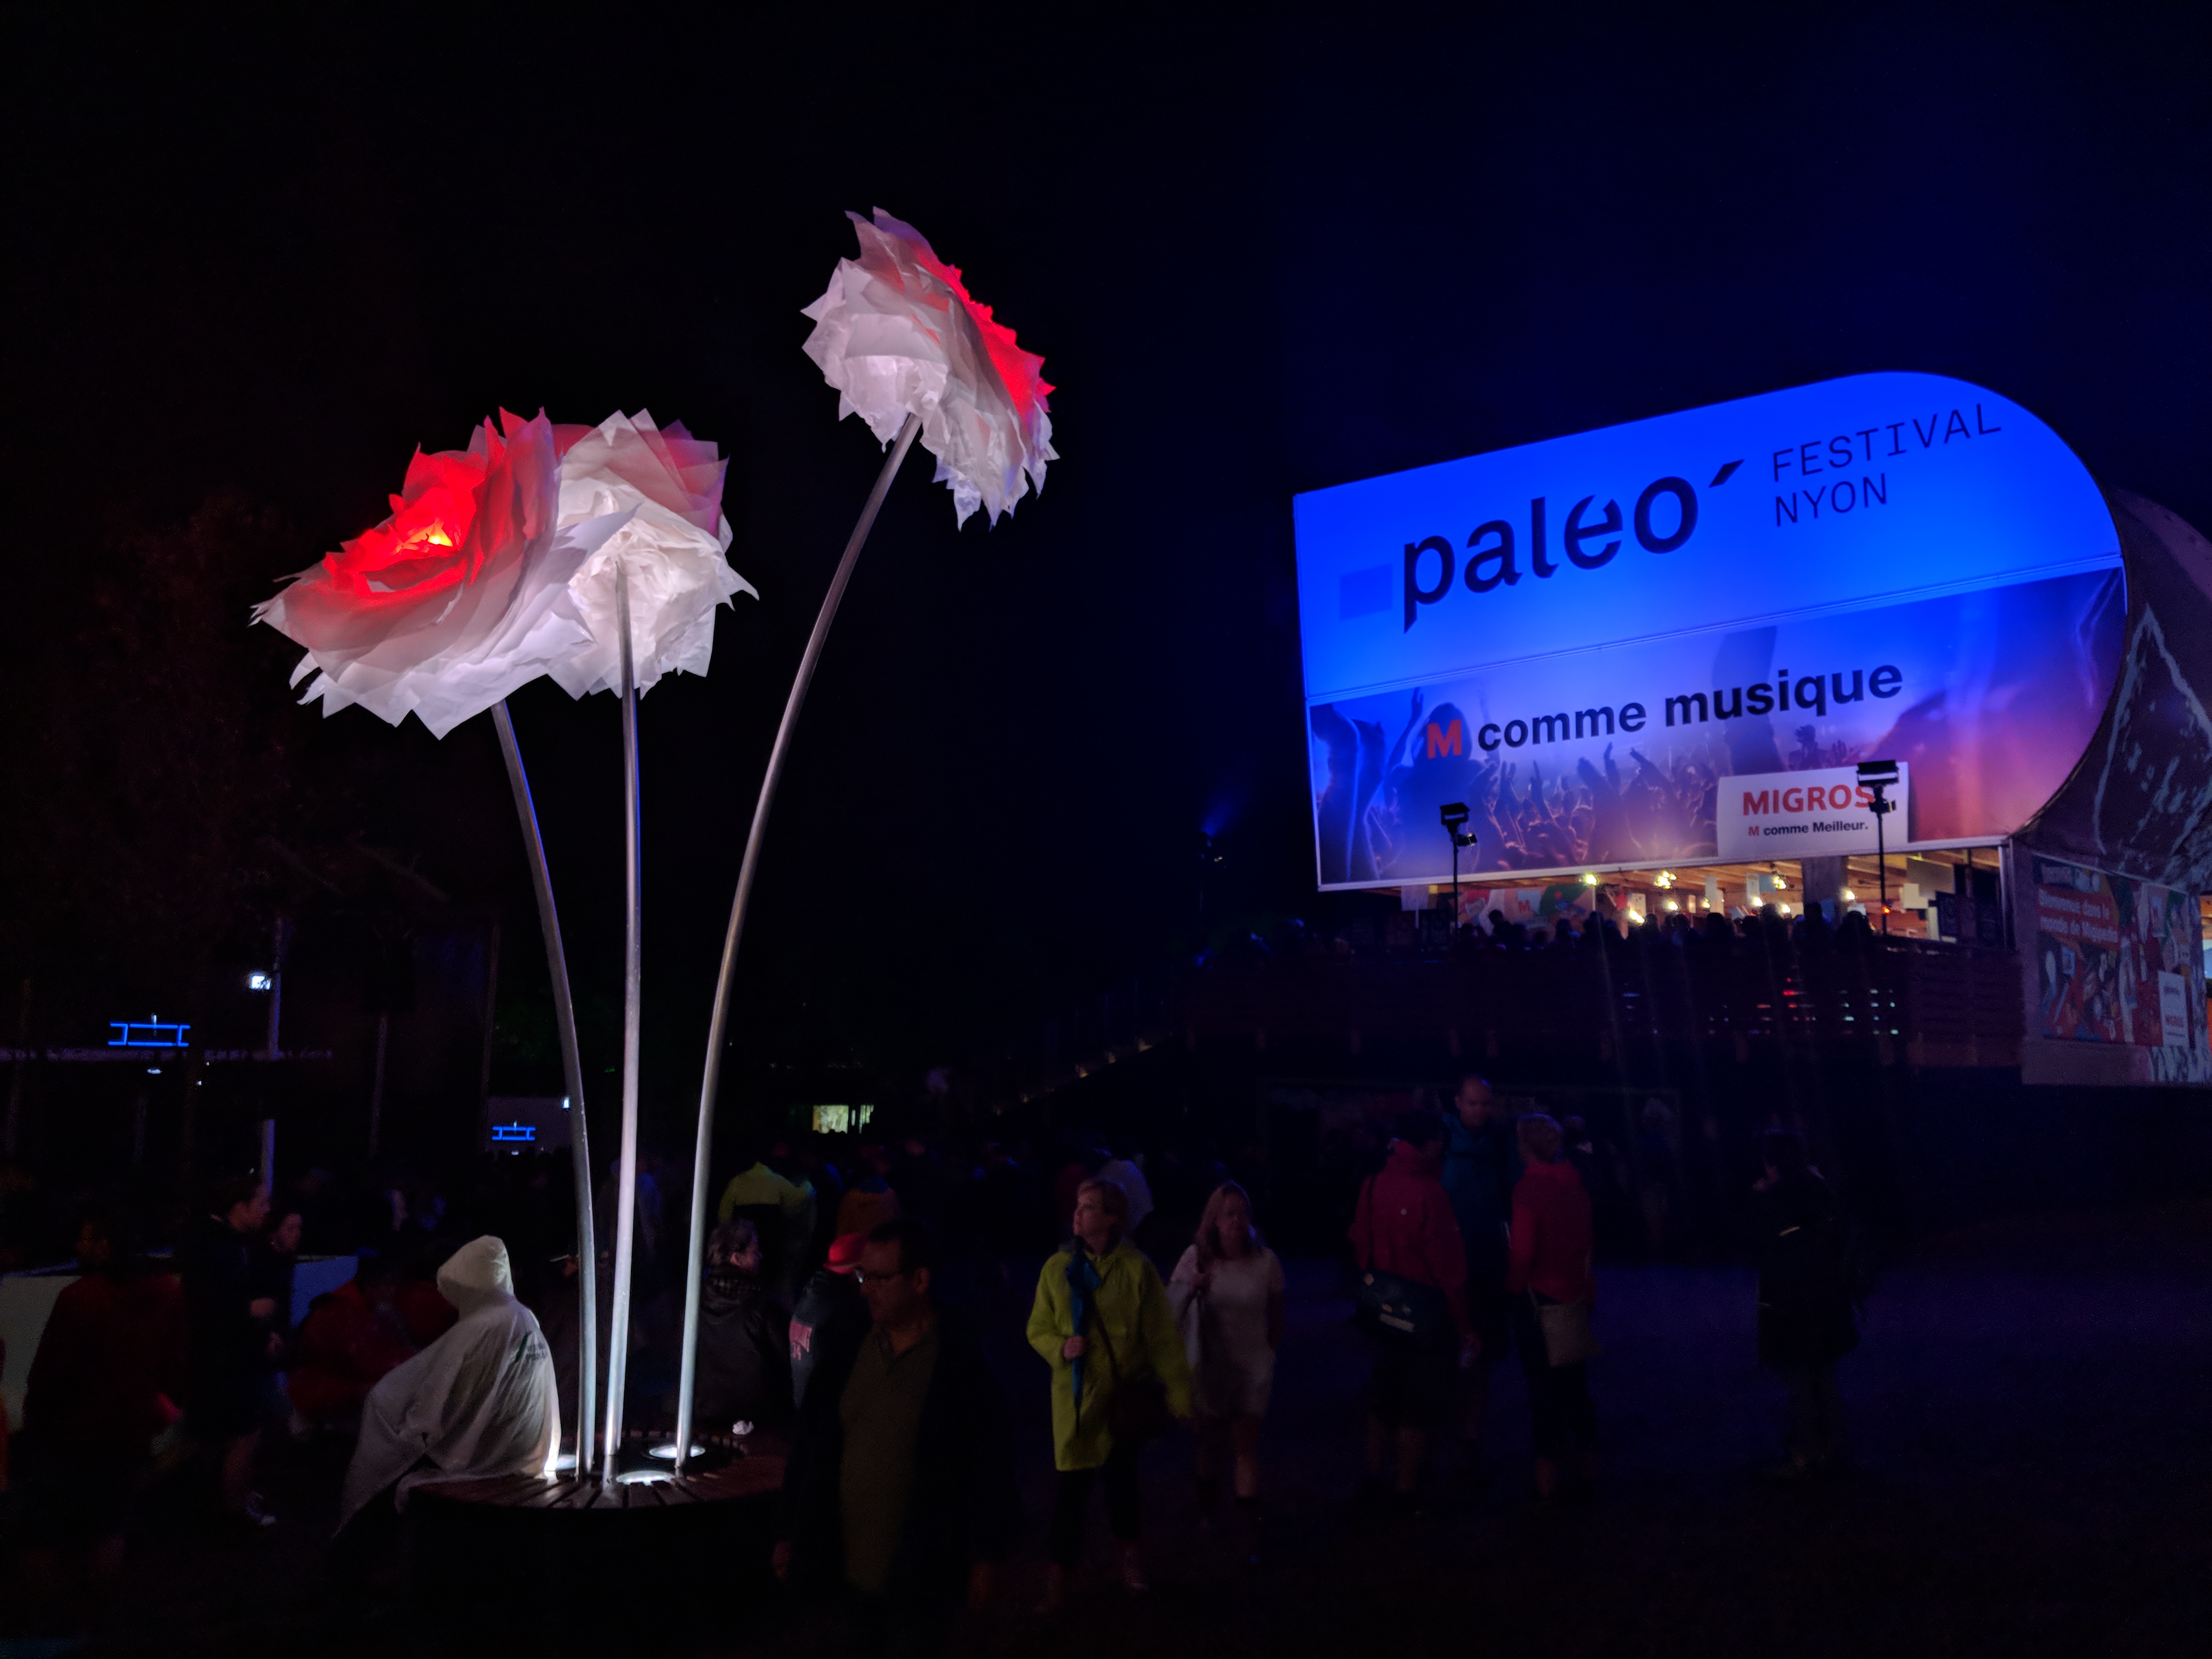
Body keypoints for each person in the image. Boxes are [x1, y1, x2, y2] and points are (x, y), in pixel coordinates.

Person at [777, 1219, 1019, 1657]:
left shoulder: (958, 1358)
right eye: (863, 1277)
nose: (866, 1290)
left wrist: (987, 1555)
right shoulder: (847, 1340)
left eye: (880, 1279)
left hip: (920, 1572)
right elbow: (812, 1441)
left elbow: (990, 1461)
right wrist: (790, 1529)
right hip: (841, 1569)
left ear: (919, 1280)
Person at [1026, 1178, 1192, 1606]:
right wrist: (1060, 1347)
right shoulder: (1056, 1269)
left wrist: (1179, 1392)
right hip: (1076, 1404)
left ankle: (1128, 1562)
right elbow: (1038, 1327)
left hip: (1120, 1402)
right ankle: (1060, 1575)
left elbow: (1161, 1337)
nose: (1078, 1213)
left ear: (1113, 1217)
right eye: (1078, 1205)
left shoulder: (1137, 1270)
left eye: (1089, 1206)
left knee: (1123, 1486)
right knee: (1071, 1494)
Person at [336, 1235, 559, 1536]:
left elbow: (436, 1394)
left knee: (387, 1465)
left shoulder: (483, 1324)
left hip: (482, 1457)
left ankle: (364, 1544)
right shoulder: (523, 1316)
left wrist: (412, 1421)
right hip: (520, 1449)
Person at [20, 1207, 187, 1575]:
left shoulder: (81, 1297)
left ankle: (53, 1606)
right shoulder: (167, 1293)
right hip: (130, 1426)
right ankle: (99, 1604)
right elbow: (175, 1362)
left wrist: (37, 1420)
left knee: (50, 1532)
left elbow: (50, 1373)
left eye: (87, 1238)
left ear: (106, 1244)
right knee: (112, 1525)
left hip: (72, 1431)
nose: (79, 1246)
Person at [1348, 1112, 1471, 1510]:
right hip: (1424, 1309)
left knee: (1383, 1392)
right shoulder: (1431, 1193)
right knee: (1417, 1402)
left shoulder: (1373, 1185)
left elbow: (1360, 1242)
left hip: (1383, 1299)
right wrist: (1464, 1323)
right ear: (1430, 1143)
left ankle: (1373, 1477)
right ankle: (1406, 1487)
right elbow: (1448, 1266)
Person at [1166, 1182, 1283, 1561]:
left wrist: (1269, 1349)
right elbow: (1170, 1309)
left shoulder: (1265, 1261)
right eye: (1228, 1214)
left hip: (1252, 1365)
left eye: (1242, 1213)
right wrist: (1192, 1288)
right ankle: (1207, 1509)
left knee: (1245, 1444)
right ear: (1214, 1220)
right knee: (1210, 1440)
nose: (1236, 1221)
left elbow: (1277, 1310)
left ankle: (1248, 1528)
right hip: (1212, 1365)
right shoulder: (1197, 1258)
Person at [1753, 1129, 1859, 1479]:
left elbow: (1766, 1248)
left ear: (1772, 1163)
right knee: (1823, 1376)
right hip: (1826, 1301)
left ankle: (1806, 1451)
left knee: (1799, 1379)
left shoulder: (1779, 1199)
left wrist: (1762, 1200)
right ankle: (1833, 1446)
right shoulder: (1819, 1189)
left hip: (1793, 1305)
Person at [180, 1173, 281, 1529]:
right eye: (261, 1203)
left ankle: (223, 1506)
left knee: (229, 1434)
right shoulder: (216, 1246)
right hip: (222, 1360)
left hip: (226, 1357)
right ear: (240, 1207)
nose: (267, 1210)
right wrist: (249, 1312)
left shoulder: (228, 1243)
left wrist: (262, 1332)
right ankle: (235, 1513)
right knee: (244, 1434)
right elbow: (203, 1305)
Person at [1506, 1114, 1598, 1500]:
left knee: (1542, 1390)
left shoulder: (1529, 1190)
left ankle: (1546, 1478)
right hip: (1574, 1293)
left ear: (1524, 1146)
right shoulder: (1575, 1185)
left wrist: (1512, 1288)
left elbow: (1523, 1252)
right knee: (1574, 1385)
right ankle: (1587, 1466)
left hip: (1538, 1298)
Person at [1440, 1074, 1518, 1480]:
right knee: (1445, 1351)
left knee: (1480, 1353)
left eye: (1485, 1103)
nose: (1480, 1110)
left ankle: (1470, 1435)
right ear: (1458, 1102)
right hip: (1449, 1263)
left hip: (1486, 1263)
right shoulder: (1443, 1139)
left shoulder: (1501, 1143)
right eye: (1473, 1103)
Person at [679, 1218, 792, 1434]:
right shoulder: (764, 1305)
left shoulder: (694, 1301)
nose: (760, 1257)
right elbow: (789, 1359)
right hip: (759, 1414)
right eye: (754, 1252)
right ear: (737, 1258)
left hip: (705, 1409)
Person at [287, 1253, 417, 1434]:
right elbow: (361, 1361)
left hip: (344, 1385)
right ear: (370, 1285)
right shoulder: (339, 1312)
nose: (393, 1290)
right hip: (320, 1389)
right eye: (388, 1284)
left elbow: (384, 1351)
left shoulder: (373, 1310)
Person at [718, 1142, 816, 1294]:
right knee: (768, 1282)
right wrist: (807, 1183)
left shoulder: (737, 1182)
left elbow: (724, 1216)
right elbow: (800, 1197)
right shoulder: (776, 1180)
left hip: (745, 1242)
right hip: (771, 1242)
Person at [791, 1230, 869, 1409]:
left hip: (803, 1406)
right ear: (857, 1272)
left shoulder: (811, 1295)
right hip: (827, 1411)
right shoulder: (848, 1309)